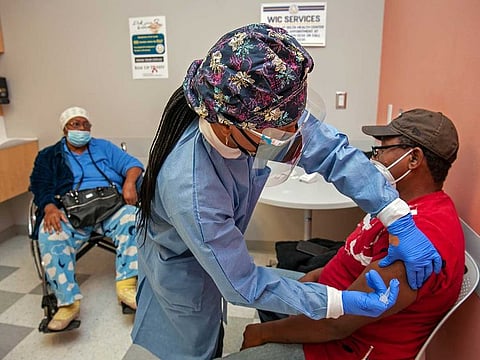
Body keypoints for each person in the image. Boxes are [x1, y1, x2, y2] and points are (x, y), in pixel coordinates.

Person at [132, 23, 440, 360]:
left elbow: (332, 153)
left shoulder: (262, 111)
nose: (294, 134)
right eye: (283, 129)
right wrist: (339, 302)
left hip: (213, 245)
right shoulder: (190, 185)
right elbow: (242, 285)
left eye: (295, 121)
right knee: (190, 343)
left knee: (212, 323)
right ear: (225, 124)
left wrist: (396, 215)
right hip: (180, 267)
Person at [223, 108, 464, 360]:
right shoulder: (398, 205)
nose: (374, 157)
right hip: (328, 306)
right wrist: (313, 277)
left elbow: (337, 325)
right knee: (252, 281)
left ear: (413, 159)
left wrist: (263, 333)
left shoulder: (419, 244)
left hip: (343, 347)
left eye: (383, 149)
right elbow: (352, 257)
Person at [29, 106, 144, 331]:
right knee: (51, 232)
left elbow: (133, 165)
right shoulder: (49, 155)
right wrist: (50, 207)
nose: (81, 129)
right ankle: (68, 303)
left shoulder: (104, 147)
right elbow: (39, 185)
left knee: (134, 218)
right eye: (75, 124)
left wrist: (129, 183)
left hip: (110, 207)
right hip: (71, 210)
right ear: (65, 128)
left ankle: (127, 286)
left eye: (85, 125)